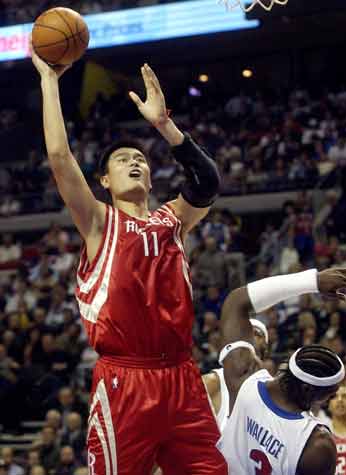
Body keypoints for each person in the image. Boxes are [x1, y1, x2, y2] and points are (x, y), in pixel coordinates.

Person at [31, 47, 226, 475]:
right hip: (126, 381)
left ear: (151, 176)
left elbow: (208, 182)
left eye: (140, 159)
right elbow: (61, 161)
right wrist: (50, 81)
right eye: (123, 160)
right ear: (104, 180)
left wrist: (165, 126)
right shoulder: (99, 221)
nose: (134, 162)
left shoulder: (172, 220)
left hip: (182, 377)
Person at [218, 267, 346, 475]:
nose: (329, 399)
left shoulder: (244, 376)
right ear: (310, 390)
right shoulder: (316, 444)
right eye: (330, 393)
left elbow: (236, 301)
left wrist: (313, 281)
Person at [203, 318, 268, 432]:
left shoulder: (268, 394)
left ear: (265, 350)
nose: (249, 336)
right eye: (244, 332)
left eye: (256, 333)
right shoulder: (215, 381)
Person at [329, 385, 346, 475]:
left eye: (345, 396)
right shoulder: (320, 433)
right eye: (334, 396)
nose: (340, 400)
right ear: (328, 403)